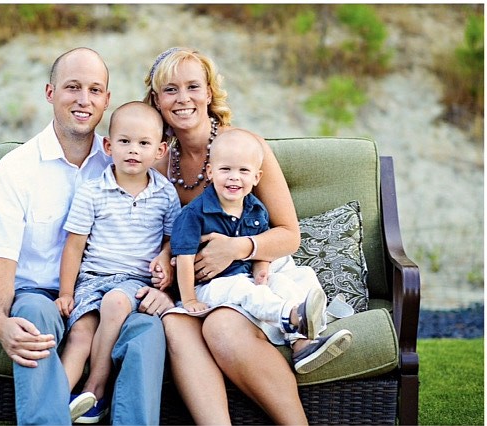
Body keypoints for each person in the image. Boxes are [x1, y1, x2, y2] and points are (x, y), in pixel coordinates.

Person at [0, 47, 174, 425]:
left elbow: (173, 205)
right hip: (41, 296)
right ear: (50, 93)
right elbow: (0, 259)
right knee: (33, 315)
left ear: (106, 100)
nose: (84, 100)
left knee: (148, 330)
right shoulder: (17, 170)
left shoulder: (124, 159)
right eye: (72, 87)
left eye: (95, 90)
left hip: (113, 292)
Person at [143, 46, 329, 424]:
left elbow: (289, 234)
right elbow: (165, 232)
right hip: (198, 285)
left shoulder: (243, 148)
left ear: (209, 92)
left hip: (256, 275)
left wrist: (237, 248)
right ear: (157, 101)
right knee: (175, 325)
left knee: (222, 325)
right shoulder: (159, 161)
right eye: (170, 90)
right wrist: (164, 258)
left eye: (193, 86)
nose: (183, 99)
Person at [169, 128, 352, 374]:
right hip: (211, 286)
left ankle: (303, 344)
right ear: (211, 172)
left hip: (245, 274)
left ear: (257, 177)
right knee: (244, 290)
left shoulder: (255, 208)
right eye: (226, 170)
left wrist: (262, 268)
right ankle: (291, 316)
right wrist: (189, 298)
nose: (234, 178)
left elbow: (260, 246)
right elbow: (183, 259)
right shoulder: (193, 214)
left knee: (294, 279)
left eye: (243, 171)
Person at [57, 101, 181, 422]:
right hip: (93, 279)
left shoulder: (165, 194)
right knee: (81, 334)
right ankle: (52, 406)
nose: (133, 151)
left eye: (143, 143)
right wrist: (67, 293)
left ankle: (95, 389)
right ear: (109, 146)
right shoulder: (92, 191)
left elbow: (172, 241)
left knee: (114, 302)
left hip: (134, 283)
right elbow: (74, 246)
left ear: (160, 150)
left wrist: (165, 261)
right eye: (124, 142)